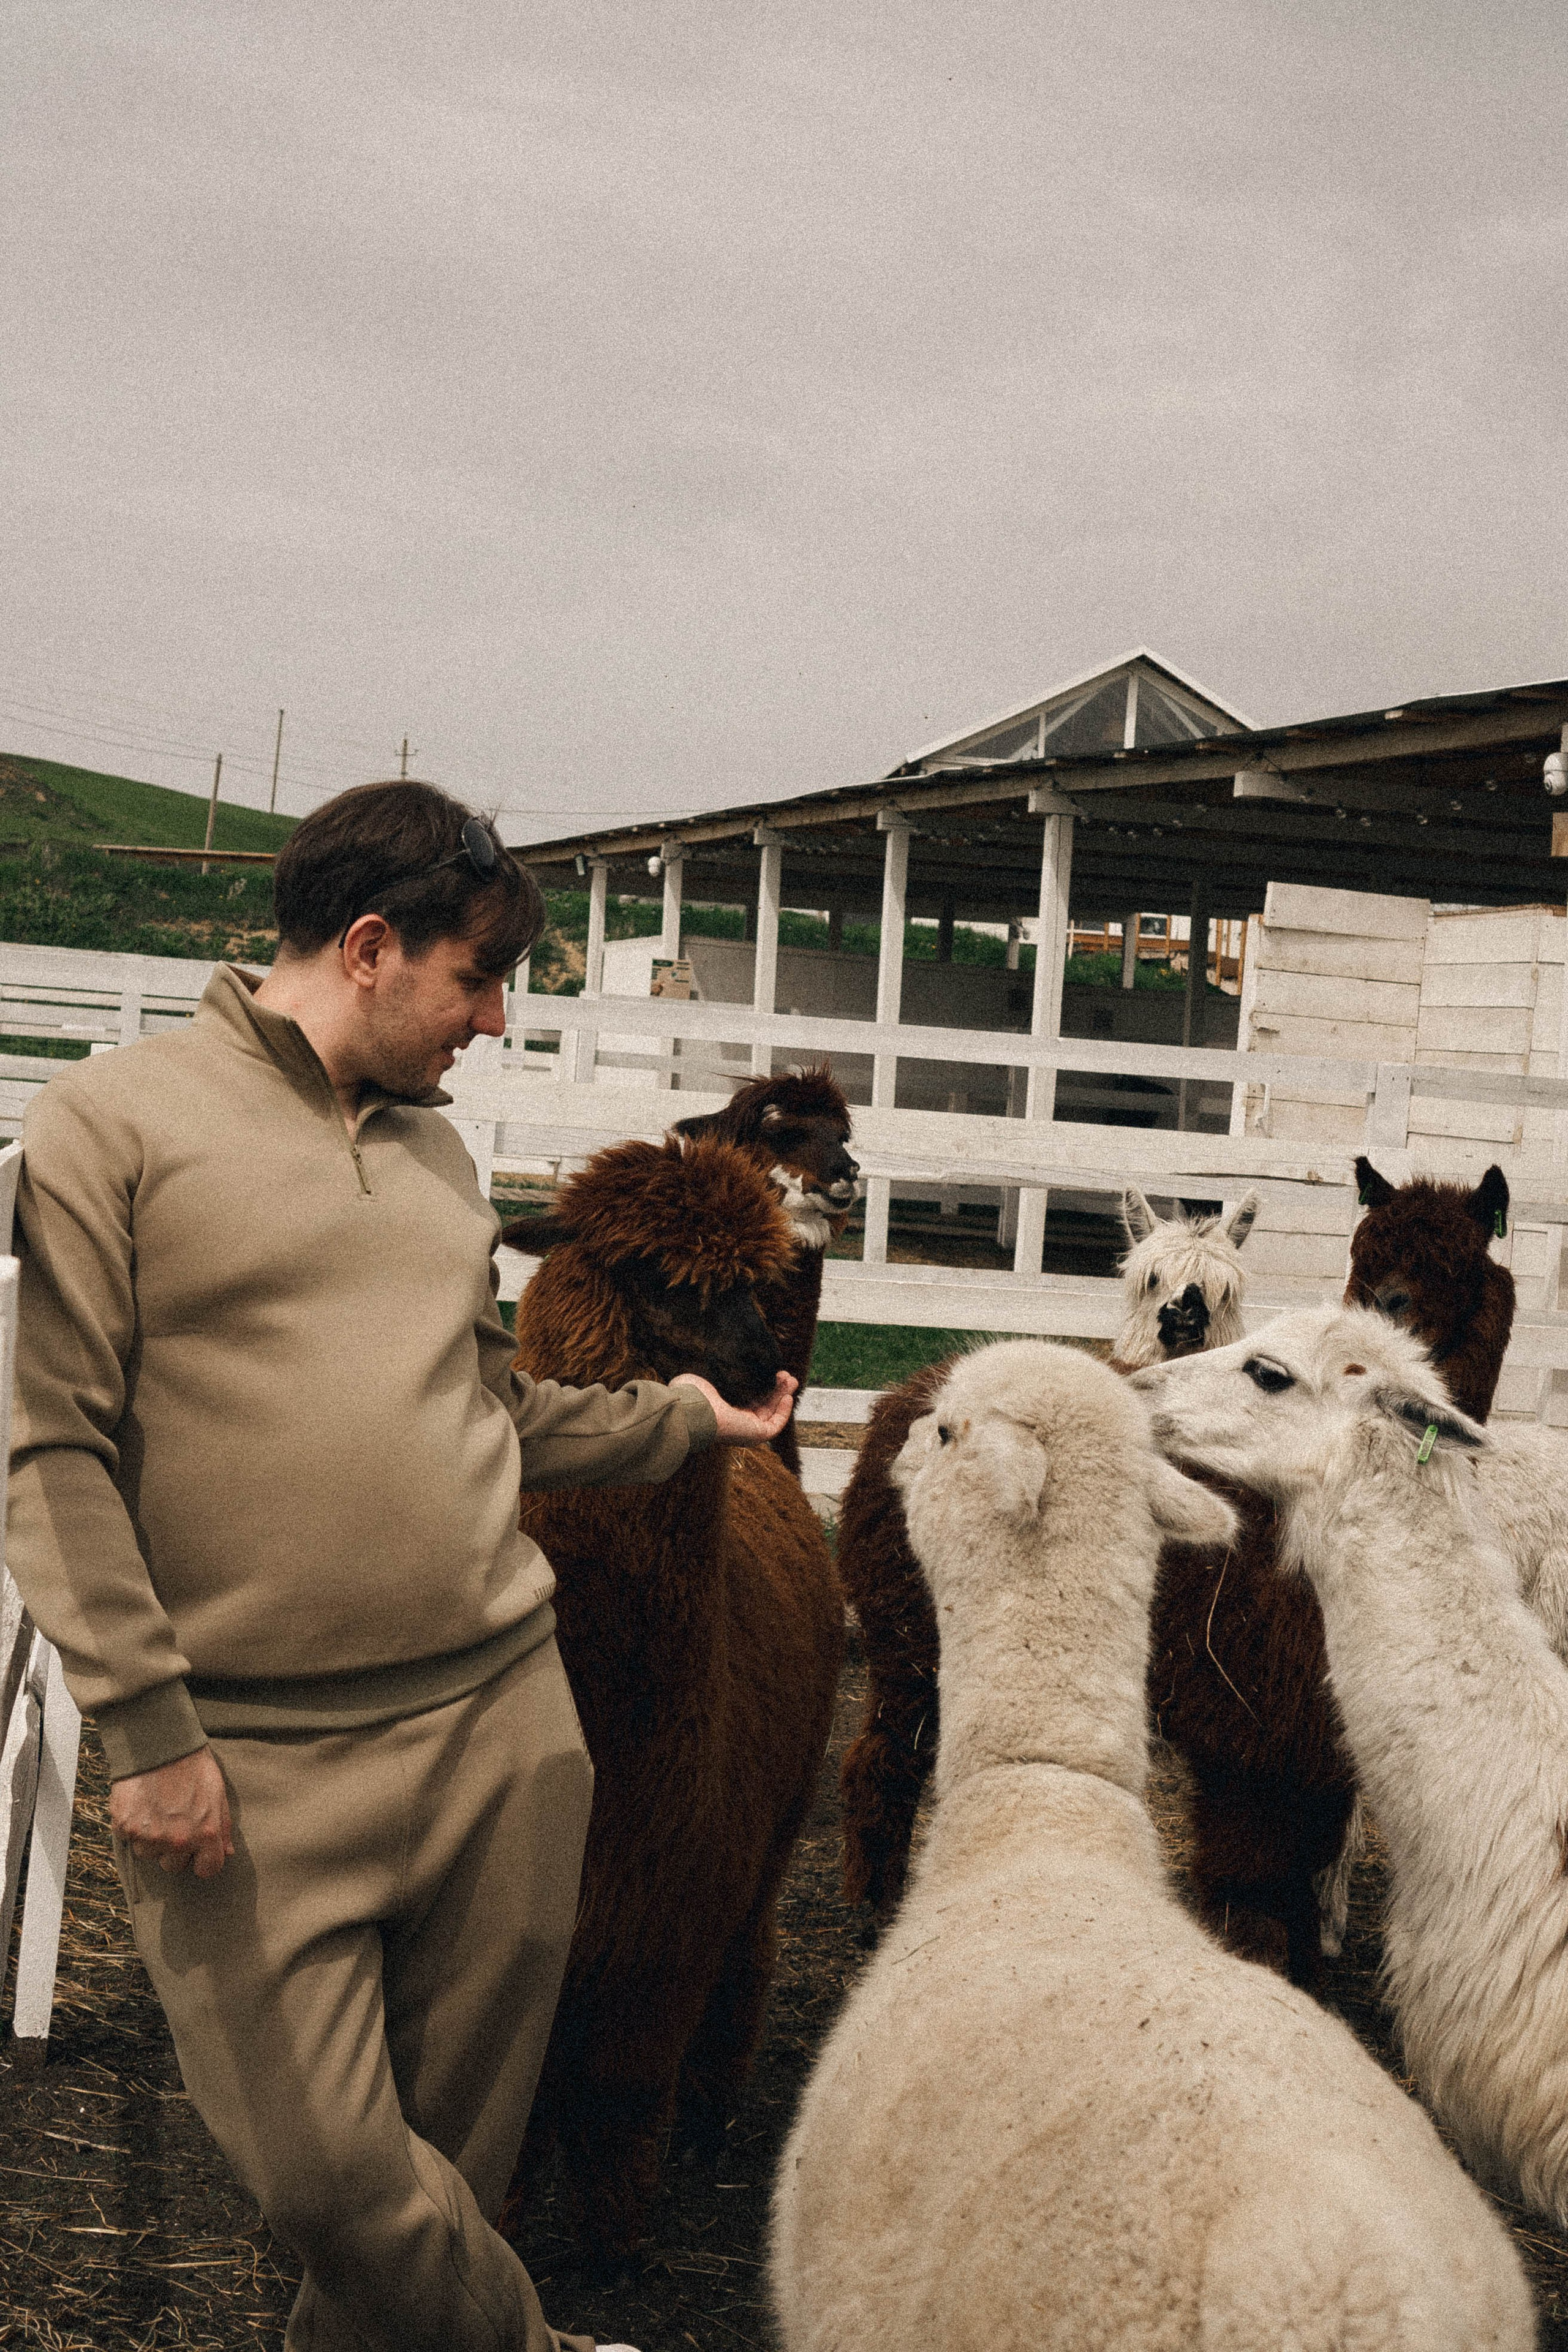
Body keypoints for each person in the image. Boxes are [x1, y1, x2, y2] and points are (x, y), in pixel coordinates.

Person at [6, 780, 795, 2352]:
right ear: (369, 947)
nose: (495, 1021)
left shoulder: (439, 1160)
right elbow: (53, 1451)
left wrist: (677, 1424)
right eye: (476, 979)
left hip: (505, 1737)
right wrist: (152, 1739)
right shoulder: (111, 1129)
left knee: (425, 2208)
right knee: (339, 2190)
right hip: (249, 1767)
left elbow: (486, 1408)